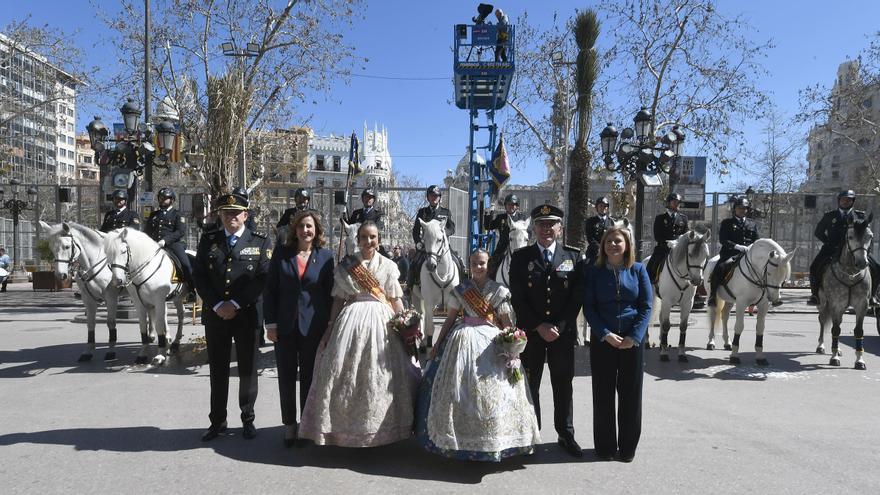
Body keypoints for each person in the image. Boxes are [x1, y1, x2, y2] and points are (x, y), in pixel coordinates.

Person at [298, 221, 420, 447]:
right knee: (343, 373)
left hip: (382, 325)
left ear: (379, 239)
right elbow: (338, 300)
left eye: (372, 237)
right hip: (350, 323)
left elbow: (395, 299)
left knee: (381, 375)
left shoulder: (388, 265)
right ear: (358, 239)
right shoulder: (346, 266)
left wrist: (405, 324)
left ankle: (382, 430)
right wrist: (331, 326)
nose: (368, 241)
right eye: (364, 237)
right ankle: (344, 430)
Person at [416, 249, 540, 461]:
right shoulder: (460, 290)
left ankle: (497, 440)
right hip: (462, 340)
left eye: (482, 263)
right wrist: (436, 343)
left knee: (493, 388)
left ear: (489, 265)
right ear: (469, 265)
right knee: (460, 386)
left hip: (491, 341)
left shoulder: (499, 291)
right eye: (474, 263)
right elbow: (450, 318)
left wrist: (512, 342)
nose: (478, 267)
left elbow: (506, 322)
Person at [193, 191, 272, 442]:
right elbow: (199, 276)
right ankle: (217, 421)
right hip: (216, 315)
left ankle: (247, 418)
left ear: (245, 215)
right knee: (218, 369)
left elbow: (262, 278)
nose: (231, 218)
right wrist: (217, 304)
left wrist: (235, 303)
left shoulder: (260, 241)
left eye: (236, 213)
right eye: (226, 213)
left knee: (248, 370)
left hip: (246, 315)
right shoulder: (209, 239)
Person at [509, 204, 584, 458]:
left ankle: (566, 433)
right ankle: (531, 433)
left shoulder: (573, 257)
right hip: (532, 334)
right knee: (531, 384)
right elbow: (517, 299)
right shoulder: (521, 259)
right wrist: (539, 326)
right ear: (534, 228)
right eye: (541, 224)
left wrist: (559, 327)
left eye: (551, 224)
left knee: (563, 384)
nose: (546, 229)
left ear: (560, 228)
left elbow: (576, 297)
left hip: (561, 336)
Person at [263, 210, 334, 448]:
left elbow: (329, 295)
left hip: (314, 327)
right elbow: (270, 290)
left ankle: (305, 424)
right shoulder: (282, 255)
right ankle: (289, 425)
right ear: (295, 229)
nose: (306, 230)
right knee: (285, 376)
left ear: (317, 231)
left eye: (310, 226)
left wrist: (330, 327)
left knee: (309, 378)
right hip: (284, 326)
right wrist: (270, 323)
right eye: (302, 226)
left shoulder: (326, 257)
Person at [583, 224, 653, 463]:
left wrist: (634, 336)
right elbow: (589, 307)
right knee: (603, 394)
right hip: (604, 340)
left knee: (631, 395)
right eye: (609, 241)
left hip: (632, 342)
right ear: (603, 245)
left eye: (618, 241)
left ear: (627, 246)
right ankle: (604, 447)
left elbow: (646, 306)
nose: (613, 244)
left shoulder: (639, 270)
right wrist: (605, 333)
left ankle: (628, 447)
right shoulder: (594, 272)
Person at [808, 189, 874, 305]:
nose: (845, 202)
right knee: (814, 267)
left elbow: (867, 234)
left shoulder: (860, 216)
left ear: (853, 202)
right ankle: (815, 295)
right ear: (839, 201)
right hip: (831, 248)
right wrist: (828, 242)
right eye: (843, 200)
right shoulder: (829, 216)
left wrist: (866, 250)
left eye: (849, 200)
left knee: (876, 268)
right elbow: (818, 232)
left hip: (855, 250)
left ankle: (872, 296)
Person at [707, 196, 760, 306]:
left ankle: (763, 294)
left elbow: (757, 240)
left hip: (748, 254)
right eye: (740, 208)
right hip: (731, 254)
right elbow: (723, 240)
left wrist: (752, 247)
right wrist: (737, 246)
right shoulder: (727, 223)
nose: (742, 210)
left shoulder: (752, 224)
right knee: (720, 268)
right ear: (735, 209)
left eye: (745, 208)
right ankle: (712, 295)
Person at [408, 185, 459, 299]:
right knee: (414, 263)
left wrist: (443, 233)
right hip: (427, 246)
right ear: (428, 198)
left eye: (436, 196)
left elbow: (452, 228)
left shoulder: (446, 212)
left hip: (441, 245)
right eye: (432, 196)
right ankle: (410, 286)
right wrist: (418, 243)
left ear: (440, 198)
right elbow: (416, 230)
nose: (434, 198)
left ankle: (461, 288)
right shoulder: (422, 212)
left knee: (458, 260)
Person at [145, 187, 193, 293]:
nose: (163, 200)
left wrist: (165, 240)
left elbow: (180, 231)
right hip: (154, 245)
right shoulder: (154, 215)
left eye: (166, 198)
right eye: (161, 198)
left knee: (186, 264)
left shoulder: (178, 214)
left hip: (172, 244)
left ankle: (191, 289)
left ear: (172, 200)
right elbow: (147, 231)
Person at [645, 193, 689, 285]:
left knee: (693, 265)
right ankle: (649, 284)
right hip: (663, 249)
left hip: (679, 249)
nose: (677, 204)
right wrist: (667, 243)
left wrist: (678, 242)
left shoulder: (683, 218)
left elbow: (686, 235)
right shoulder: (660, 218)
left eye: (678, 202)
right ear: (668, 203)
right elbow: (657, 236)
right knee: (651, 267)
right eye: (674, 202)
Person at [484, 193, 526, 279]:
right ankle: (490, 282)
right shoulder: (501, 217)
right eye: (509, 204)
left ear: (517, 206)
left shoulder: (522, 217)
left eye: (513, 205)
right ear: (505, 206)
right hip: (503, 247)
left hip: (518, 246)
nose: (511, 206)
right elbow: (488, 226)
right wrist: (488, 213)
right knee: (491, 264)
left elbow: (528, 231)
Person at [584, 196, 615, 265]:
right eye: (601, 206)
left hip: (608, 252)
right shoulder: (590, 221)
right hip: (593, 252)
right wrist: (599, 248)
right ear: (597, 207)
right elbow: (590, 237)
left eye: (605, 206)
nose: (603, 208)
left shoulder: (611, 222)